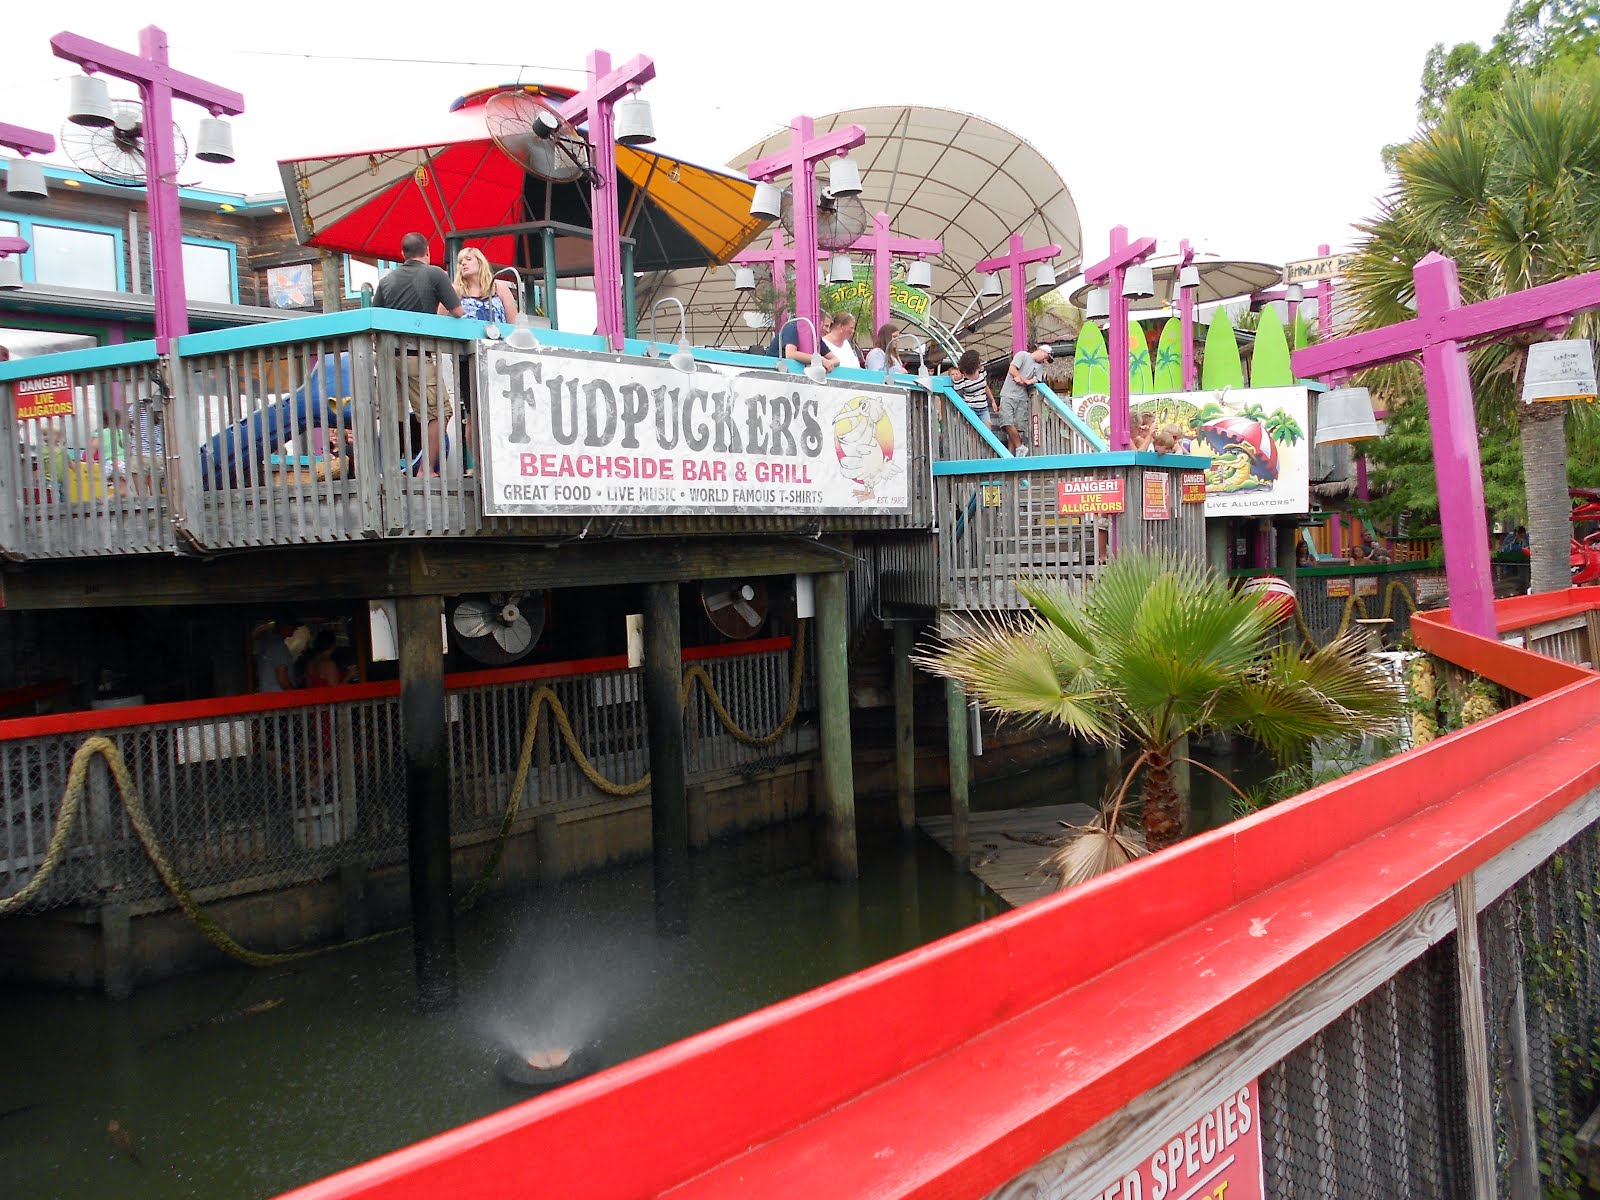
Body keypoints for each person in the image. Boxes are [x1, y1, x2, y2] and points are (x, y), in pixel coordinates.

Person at [374, 232, 465, 477]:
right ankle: (427, 470)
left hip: (385, 355)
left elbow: (376, 315)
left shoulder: (387, 279)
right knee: (440, 412)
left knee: (393, 414)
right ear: (428, 251)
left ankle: (390, 471)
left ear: (402, 254)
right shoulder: (435, 273)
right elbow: (458, 312)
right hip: (415, 354)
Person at [995, 342, 1053, 455]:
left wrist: (1024, 380)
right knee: (1006, 421)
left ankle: (1012, 455)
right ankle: (1020, 446)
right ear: (1041, 351)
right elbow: (1012, 370)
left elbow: (1035, 381)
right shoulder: (1022, 355)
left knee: (1017, 427)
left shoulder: (1039, 367)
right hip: (1009, 393)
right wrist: (1025, 380)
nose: (1045, 361)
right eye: (1046, 357)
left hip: (1023, 397)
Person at [450, 247, 518, 325]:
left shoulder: (499, 287)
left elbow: (513, 323)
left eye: (468, 259)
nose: (463, 263)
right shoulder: (456, 290)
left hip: (499, 335)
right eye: (460, 262)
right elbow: (440, 317)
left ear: (480, 262)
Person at [768, 312, 836, 372]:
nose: (828, 330)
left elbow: (835, 359)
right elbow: (790, 354)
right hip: (773, 368)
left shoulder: (816, 338)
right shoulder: (793, 329)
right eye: (826, 326)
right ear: (817, 322)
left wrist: (828, 363)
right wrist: (820, 360)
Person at [949, 349, 993, 426]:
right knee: (974, 430)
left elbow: (985, 385)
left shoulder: (981, 370)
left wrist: (992, 400)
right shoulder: (962, 377)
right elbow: (958, 395)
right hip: (970, 408)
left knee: (987, 428)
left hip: (983, 406)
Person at [254, 616, 298, 692]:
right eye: (293, 626)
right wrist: (295, 695)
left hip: (268, 696)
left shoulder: (266, 643)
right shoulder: (278, 646)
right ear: (283, 626)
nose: (295, 629)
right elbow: (282, 679)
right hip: (280, 697)